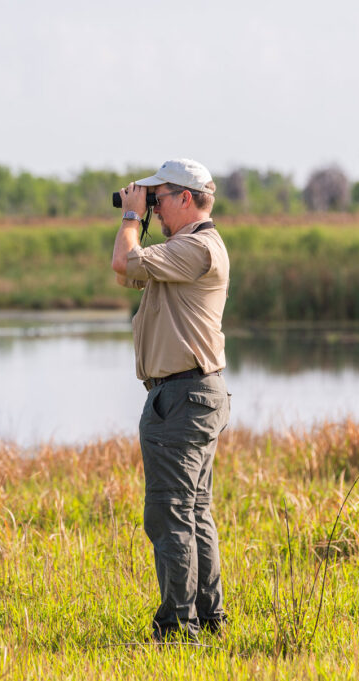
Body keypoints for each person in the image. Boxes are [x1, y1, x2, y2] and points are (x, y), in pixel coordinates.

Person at [111, 158, 232, 641]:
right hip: (191, 393)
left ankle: (179, 628)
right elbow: (129, 275)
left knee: (169, 511)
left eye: (158, 199)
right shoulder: (187, 248)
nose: (154, 209)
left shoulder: (196, 247)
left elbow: (124, 262)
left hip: (183, 395)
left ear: (186, 197)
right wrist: (137, 221)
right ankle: (207, 618)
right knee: (192, 509)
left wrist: (129, 217)